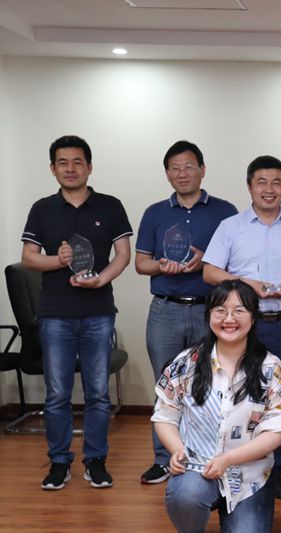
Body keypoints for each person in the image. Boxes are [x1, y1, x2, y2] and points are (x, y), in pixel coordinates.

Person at [203, 155, 281, 499]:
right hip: (241, 327)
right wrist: (245, 283)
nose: (269, 189)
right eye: (261, 182)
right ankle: (232, 463)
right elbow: (209, 272)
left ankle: (276, 471)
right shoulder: (231, 227)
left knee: (280, 398)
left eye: (276, 183)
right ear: (249, 186)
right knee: (238, 393)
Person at [21, 135, 132, 490]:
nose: (70, 169)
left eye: (77, 162)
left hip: (99, 312)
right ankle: (59, 462)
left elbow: (123, 254)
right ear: (53, 168)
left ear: (89, 166)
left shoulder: (110, 206)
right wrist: (59, 260)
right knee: (57, 394)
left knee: (98, 392)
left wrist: (102, 280)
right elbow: (28, 257)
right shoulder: (42, 208)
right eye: (63, 163)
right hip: (55, 315)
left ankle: (95, 461)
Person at [152, 280, 281, 533]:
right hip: (197, 468)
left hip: (249, 476)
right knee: (186, 495)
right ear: (208, 316)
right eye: (220, 311)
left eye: (239, 311)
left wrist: (227, 460)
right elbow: (165, 416)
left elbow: (275, 433)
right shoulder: (187, 362)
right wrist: (177, 450)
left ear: (253, 318)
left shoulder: (271, 368)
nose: (229, 319)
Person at [135, 140, 237, 484]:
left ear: (202, 170)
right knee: (166, 387)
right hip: (165, 311)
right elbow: (141, 263)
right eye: (175, 168)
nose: (182, 173)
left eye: (189, 166)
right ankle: (164, 458)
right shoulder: (154, 213)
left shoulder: (224, 211)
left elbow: (235, 261)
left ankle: (208, 455)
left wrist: (206, 260)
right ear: (167, 174)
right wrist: (161, 265)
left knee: (213, 384)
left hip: (212, 311)